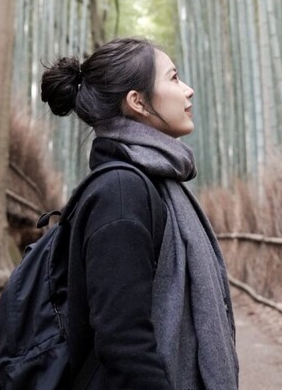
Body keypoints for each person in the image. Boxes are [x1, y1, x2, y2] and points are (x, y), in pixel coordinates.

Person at [40, 36, 240, 390]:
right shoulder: (120, 193)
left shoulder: (150, 182)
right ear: (138, 102)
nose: (188, 90)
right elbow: (123, 342)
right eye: (174, 78)